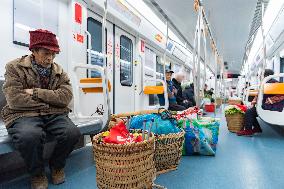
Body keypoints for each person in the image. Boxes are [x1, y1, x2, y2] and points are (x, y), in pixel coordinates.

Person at [1, 29, 81, 189]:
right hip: (23, 114)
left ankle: (56, 165)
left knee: (72, 133)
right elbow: (15, 100)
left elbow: (65, 97)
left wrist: (36, 93)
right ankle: (37, 173)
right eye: (46, 53)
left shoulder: (59, 72)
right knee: (29, 136)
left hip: (54, 115)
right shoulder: (14, 68)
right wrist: (52, 101)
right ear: (34, 50)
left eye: (54, 54)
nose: (50, 58)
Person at [237, 69, 284, 136]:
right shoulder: (265, 82)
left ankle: (248, 130)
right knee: (250, 111)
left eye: (261, 74)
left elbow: (282, 95)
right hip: (267, 104)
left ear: (266, 75)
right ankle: (256, 128)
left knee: (249, 112)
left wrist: (270, 100)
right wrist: (254, 101)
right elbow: (260, 95)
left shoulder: (274, 83)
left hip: (274, 106)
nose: (259, 76)